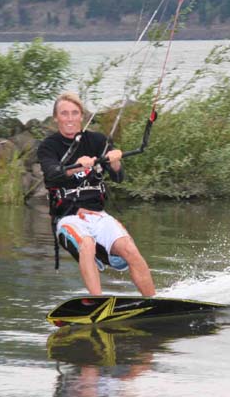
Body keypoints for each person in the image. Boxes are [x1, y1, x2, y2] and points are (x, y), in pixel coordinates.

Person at [37, 91, 156, 297]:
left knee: (129, 248)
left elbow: (118, 178)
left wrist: (115, 160)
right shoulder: (49, 146)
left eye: (74, 113)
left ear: (82, 116)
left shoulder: (97, 140)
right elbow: (52, 174)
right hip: (68, 219)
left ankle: (153, 301)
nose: (70, 118)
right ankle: (97, 301)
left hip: (98, 216)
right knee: (87, 244)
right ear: (56, 117)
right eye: (64, 114)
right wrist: (76, 167)